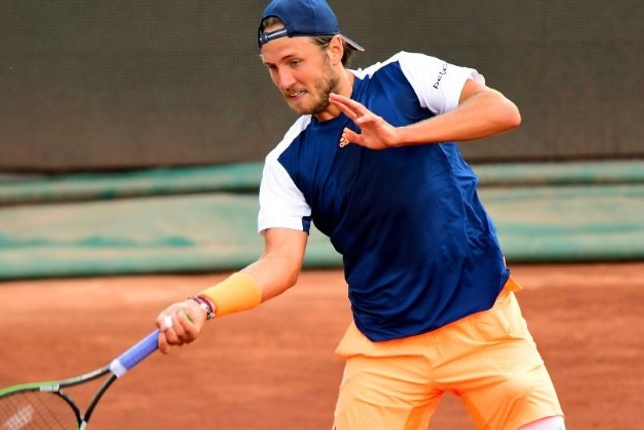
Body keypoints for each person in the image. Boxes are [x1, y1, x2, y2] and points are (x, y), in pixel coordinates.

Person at [153, 0, 565, 428]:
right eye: (272, 68)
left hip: (484, 322)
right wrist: (204, 303)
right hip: (386, 350)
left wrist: (400, 136)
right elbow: (280, 262)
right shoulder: (286, 162)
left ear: (334, 49)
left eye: (295, 62)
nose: (285, 81)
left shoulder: (406, 76)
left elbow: (501, 110)